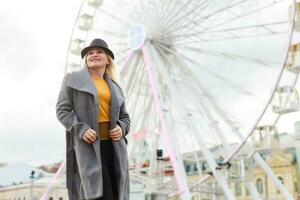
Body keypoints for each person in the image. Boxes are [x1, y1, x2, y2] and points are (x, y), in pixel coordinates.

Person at [56, 38, 130, 200]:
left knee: (116, 193)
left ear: (108, 60)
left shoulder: (116, 87)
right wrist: (81, 129)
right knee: (97, 194)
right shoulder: (72, 79)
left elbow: (125, 117)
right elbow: (62, 110)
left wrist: (121, 128)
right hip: (88, 147)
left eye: (99, 52)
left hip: (115, 148)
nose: (94, 55)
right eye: (90, 53)